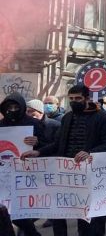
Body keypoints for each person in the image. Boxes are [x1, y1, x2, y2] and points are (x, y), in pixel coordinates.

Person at [26, 85, 106, 236]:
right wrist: (39, 152)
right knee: (59, 214)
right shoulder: (67, 117)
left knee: (89, 221)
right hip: (66, 174)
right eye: (71, 99)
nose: (74, 102)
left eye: (78, 98)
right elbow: (58, 143)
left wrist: (90, 153)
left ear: (87, 98)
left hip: (91, 175)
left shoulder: (103, 117)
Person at [1, 93, 46, 236]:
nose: (13, 110)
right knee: (6, 212)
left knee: (22, 212)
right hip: (5, 176)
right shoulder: (1, 125)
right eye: (9, 107)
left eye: (16, 107)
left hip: (28, 175)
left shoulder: (34, 124)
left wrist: (37, 143)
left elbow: (49, 145)